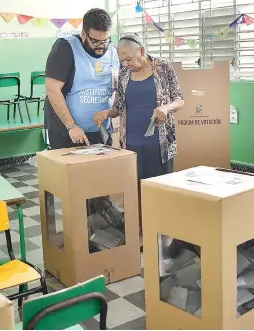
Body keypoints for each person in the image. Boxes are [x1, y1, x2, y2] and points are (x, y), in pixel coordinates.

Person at [93, 33, 184, 231]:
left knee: (161, 188)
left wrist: (166, 108)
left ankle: (164, 231)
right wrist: (106, 113)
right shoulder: (125, 74)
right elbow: (118, 108)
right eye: (121, 60)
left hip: (160, 144)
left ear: (141, 51)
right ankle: (141, 231)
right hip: (131, 143)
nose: (125, 64)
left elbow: (180, 99)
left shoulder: (164, 67)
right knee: (135, 190)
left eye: (128, 59)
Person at [44, 8, 120, 149]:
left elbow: (116, 87)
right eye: (96, 41)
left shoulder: (114, 51)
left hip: (100, 129)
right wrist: (71, 126)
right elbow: (52, 89)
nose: (101, 47)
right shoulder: (65, 48)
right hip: (67, 130)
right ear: (84, 34)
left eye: (105, 41)